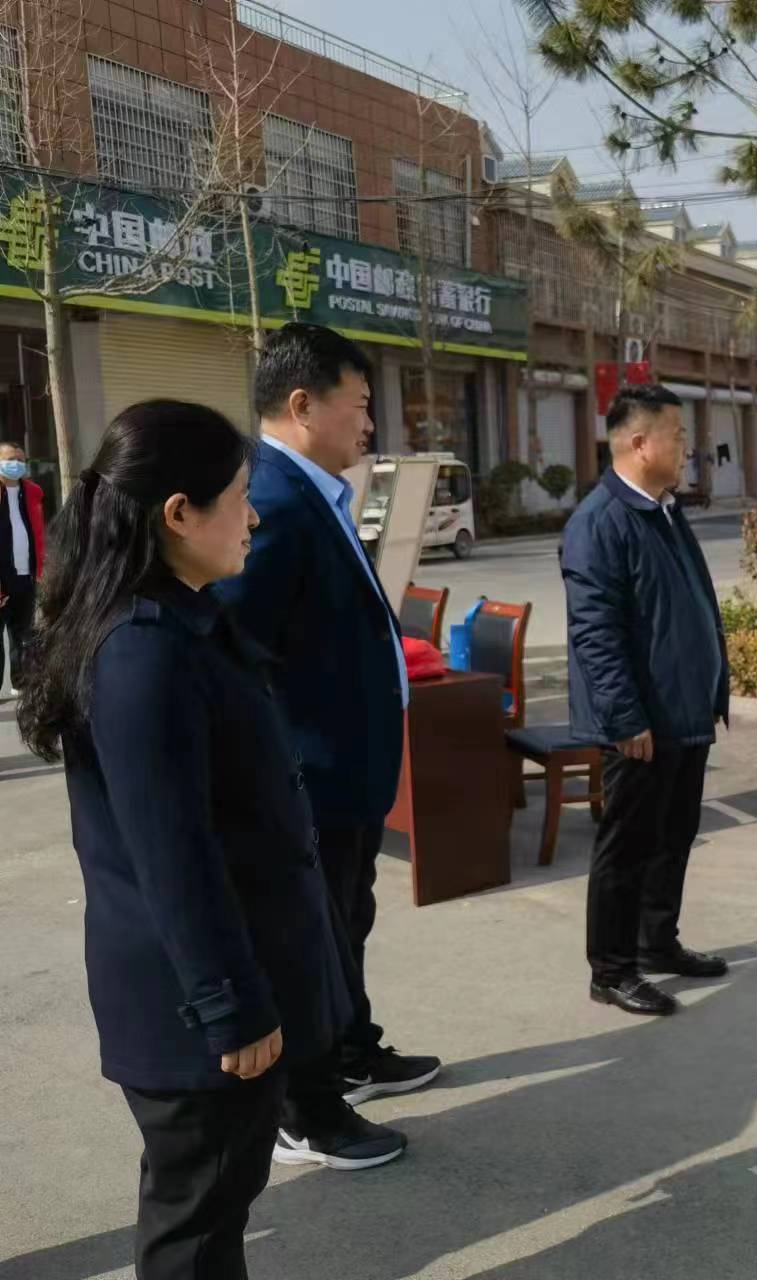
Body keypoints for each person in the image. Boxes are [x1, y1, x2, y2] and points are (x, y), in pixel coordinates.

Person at [16, 402, 352, 1279]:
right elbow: (174, 858)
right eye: (240, 498)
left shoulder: (179, 616)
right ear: (178, 513)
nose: (254, 518)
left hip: (210, 984)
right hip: (193, 1005)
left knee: (209, 1202)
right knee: (196, 1224)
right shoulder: (143, 651)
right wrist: (229, 1007)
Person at [215, 323, 436, 1171]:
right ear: (304, 406)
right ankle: (306, 1111)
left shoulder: (313, 492)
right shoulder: (269, 500)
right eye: (361, 405)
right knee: (308, 944)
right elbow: (238, 659)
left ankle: (349, 1048)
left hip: (344, 772)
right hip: (307, 777)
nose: (371, 424)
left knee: (344, 924)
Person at [561, 384, 731, 1016]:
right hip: (642, 722)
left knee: (673, 835)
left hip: (685, 712)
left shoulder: (662, 510)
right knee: (627, 845)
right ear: (639, 443)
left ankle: (656, 941)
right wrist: (626, 717)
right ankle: (611, 969)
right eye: (677, 436)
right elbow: (595, 633)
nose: (688, 448)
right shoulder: (599, 522)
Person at [0, 440, 46, 699]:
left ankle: (21, 684)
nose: (16, 464)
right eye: (10, 459)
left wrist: (40, 569)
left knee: (23, 634)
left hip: (25, 574)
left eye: (20, 460)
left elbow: (37, 533)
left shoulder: (32, 492)